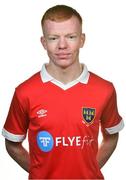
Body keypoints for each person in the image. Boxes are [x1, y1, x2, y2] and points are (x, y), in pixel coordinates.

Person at [2, 4, 124, 179]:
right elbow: (12, 144)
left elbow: (112, 136)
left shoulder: (104, 89)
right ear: (43, 42)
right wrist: (41, 172)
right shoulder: (25, 92)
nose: (62, 45)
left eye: (71, 37)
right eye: (53, 38)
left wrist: (90, 170)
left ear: (82, 40)